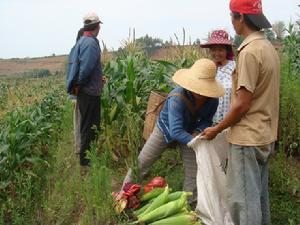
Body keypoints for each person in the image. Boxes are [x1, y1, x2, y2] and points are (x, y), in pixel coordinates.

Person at [201, 0, 280, 224]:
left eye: (232, 16)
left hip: (247, 139)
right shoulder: (268, 48)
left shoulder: (249, 51)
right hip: (265, 134)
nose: (232, 22)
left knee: (243, 202)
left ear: (241, 17)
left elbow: (242, 103)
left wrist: (217, 129)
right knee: (259, 199)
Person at [122, 58, 224, 207]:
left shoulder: (212, 101)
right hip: (166, 129)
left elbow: (207, 120)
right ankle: (124, 196)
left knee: (194, 171)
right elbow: (175, 130)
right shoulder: (177, 97)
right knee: (142, 163)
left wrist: (200, 131)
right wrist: (194, 140)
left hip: (190, 132)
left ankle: (189, 205)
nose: (200, 92)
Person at [66, 12, 104, 166]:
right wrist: (80, 86)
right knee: (90, 126)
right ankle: (86, 160)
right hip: (89, 92)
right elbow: (86, 70)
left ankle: (87, 156)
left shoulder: (83, 41)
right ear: (97, 26)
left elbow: (85, 68)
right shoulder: (90, 43)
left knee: (88, 125)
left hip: (85, 91)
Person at [200, 29, 235, 124]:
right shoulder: (208, 67)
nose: (216, 53)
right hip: (210, 117)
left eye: (220, 50)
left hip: (229, 117)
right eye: (213, 50)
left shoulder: (234, 67)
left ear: (227, 50)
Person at [68, 28, 84, 154]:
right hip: (78, 93)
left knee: (83, 120)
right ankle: (79, 148)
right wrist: (73, 97)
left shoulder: (84, 50)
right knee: (78, 120)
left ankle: (83, 146)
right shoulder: (76, 51)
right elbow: (71, 75)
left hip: (86, 92)